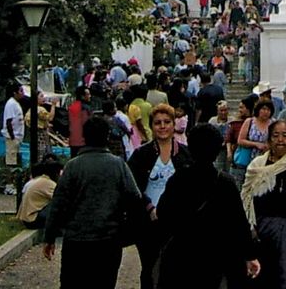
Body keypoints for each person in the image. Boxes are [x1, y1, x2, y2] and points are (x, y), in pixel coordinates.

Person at [157, 123, 260, 288]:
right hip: (213, 255)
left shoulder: (179, 179)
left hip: (181, 253)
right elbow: (238, 223)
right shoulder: (225, 183)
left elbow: (163, 214)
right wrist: (249, 255)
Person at [43, 117, 142, 289]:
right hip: (108, 240)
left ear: (84, 137)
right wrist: (127, 231)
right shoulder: (118, 165)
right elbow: (134, 199)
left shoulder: (72, 167)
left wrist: (49, 237)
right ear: (107, 137)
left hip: (76, 241)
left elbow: (58, 204)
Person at [242, 118, 286, 289]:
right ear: (268, 139)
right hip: (263, 231)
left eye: (285, 135)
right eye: (275, 135)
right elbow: (246, 197)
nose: (280, 140)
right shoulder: (257, 167)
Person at [127, 104, 193, 289]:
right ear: (152, 126)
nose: (162, 126)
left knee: (177, 268)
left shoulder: (187, 154)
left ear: (174, 125)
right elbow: (132, 188)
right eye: (157, 123)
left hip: (178, 223)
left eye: (167, 122)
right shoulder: (141, 154)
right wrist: (148, 207)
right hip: (149, 223)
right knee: (150, 268)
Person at [17, 156, 61, 230]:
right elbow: (61, 198)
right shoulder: (48, 183)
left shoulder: (41, 180)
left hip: (27, 219)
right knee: (58, 204)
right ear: (55, 173)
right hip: (33, 219)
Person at [2, 84, 27, 172]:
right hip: (12, 137)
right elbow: (9, 121)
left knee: (16, 160)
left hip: (18, 137)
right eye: (20, 91)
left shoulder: (16, 104)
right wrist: (12, 137)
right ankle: (9, 183)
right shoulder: (11, 104)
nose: (22, 93)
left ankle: (15, 180)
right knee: (10, 161)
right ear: (14, 93)